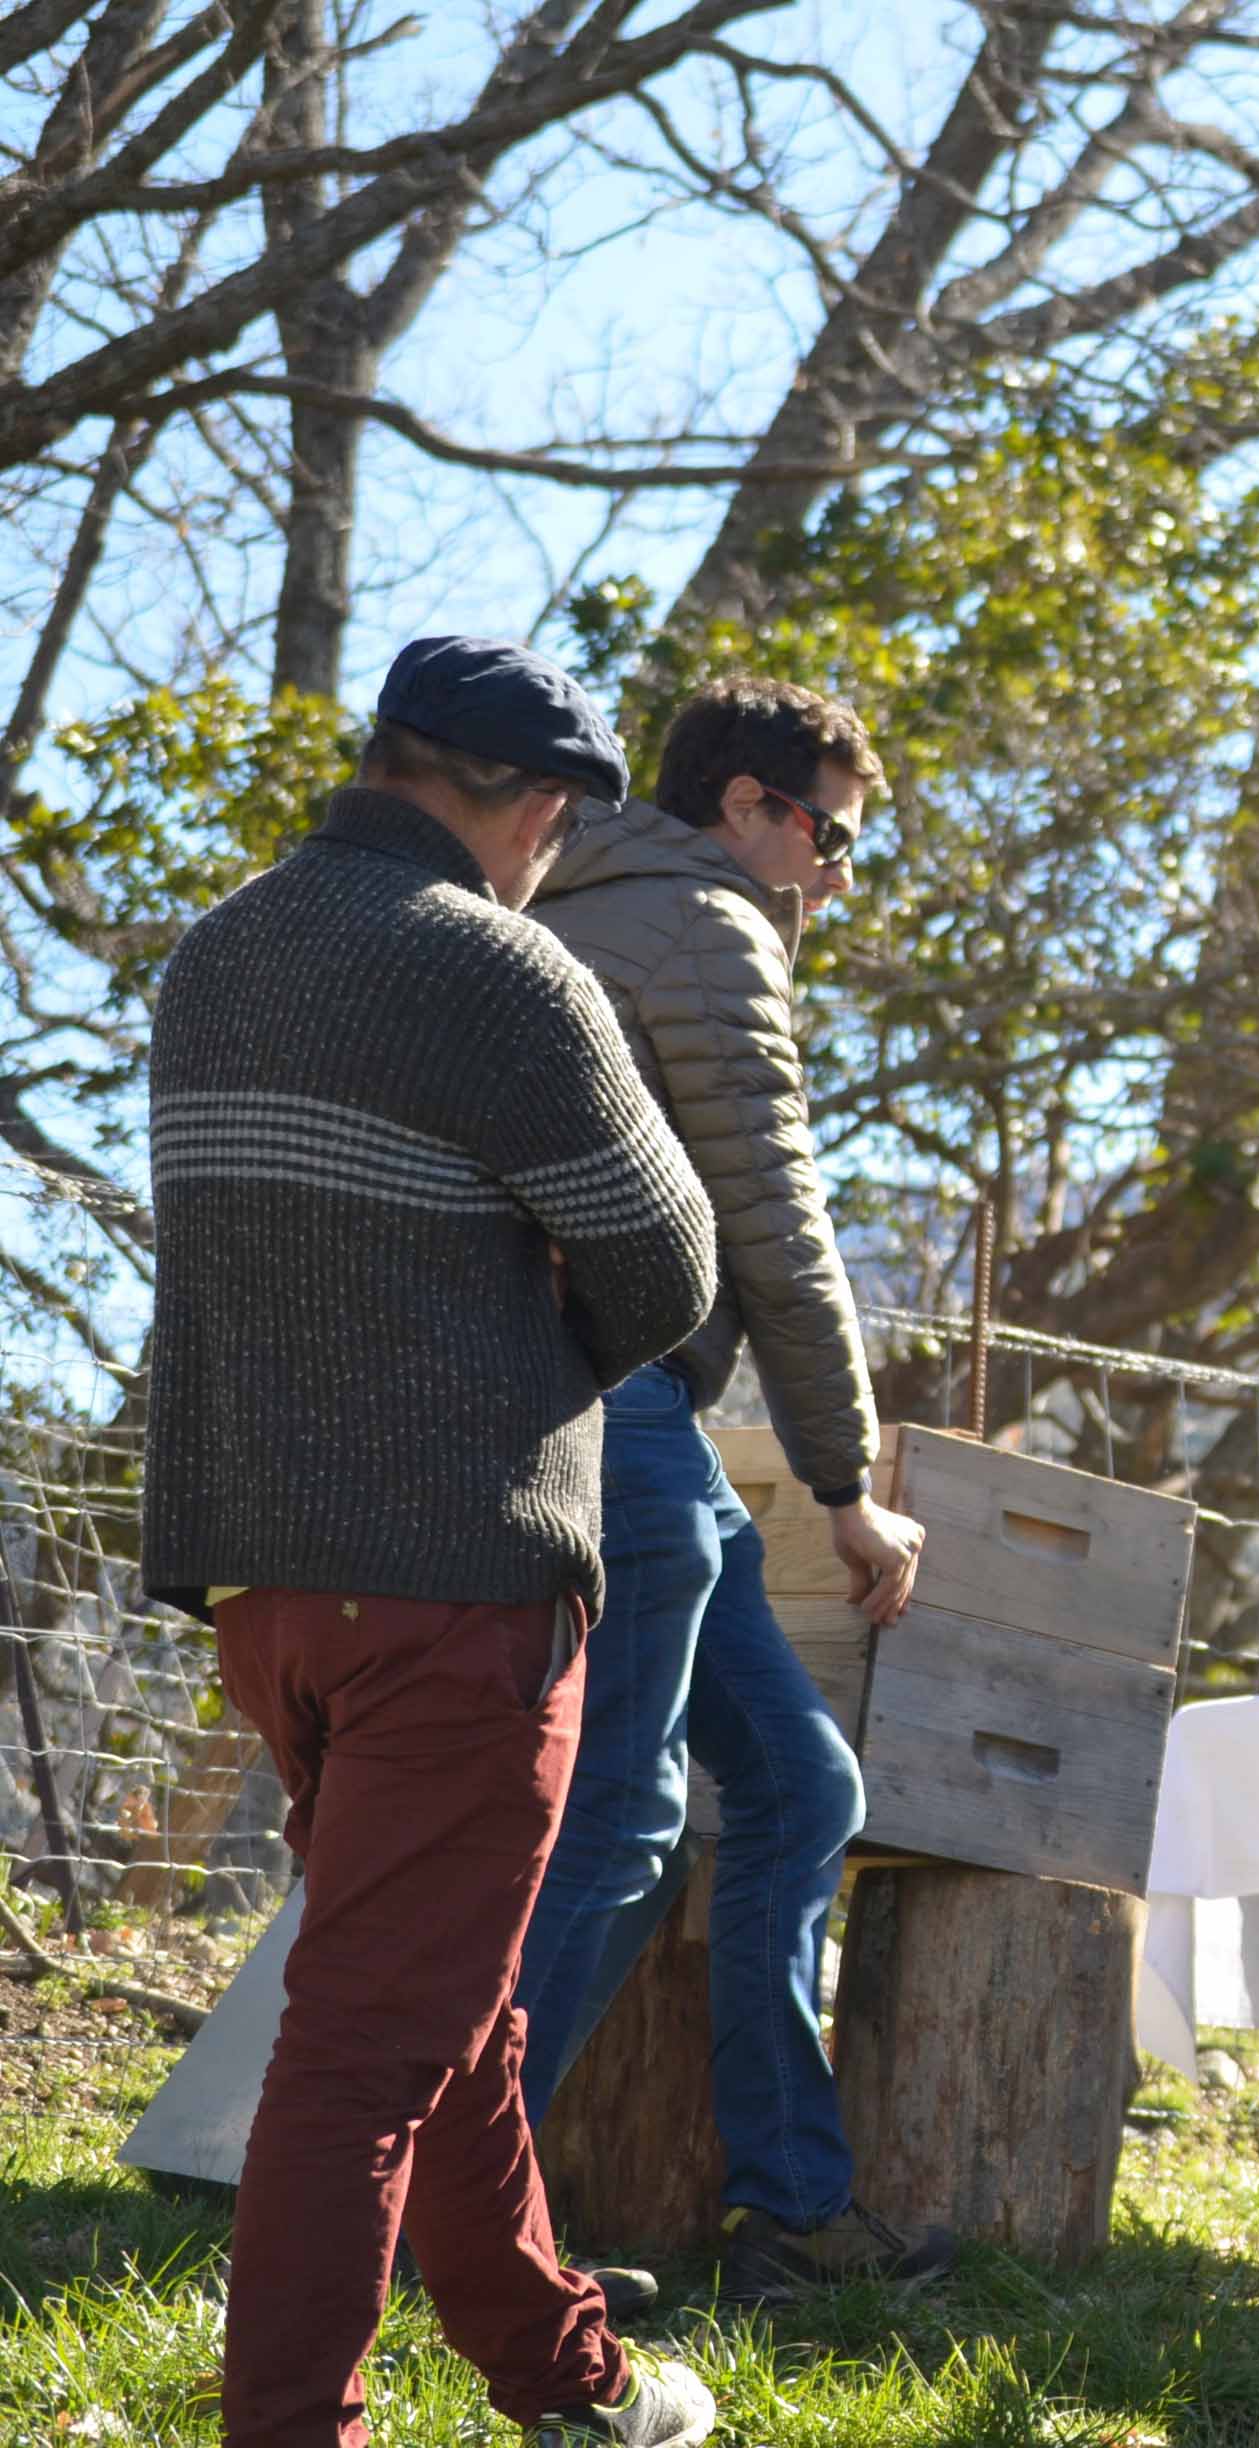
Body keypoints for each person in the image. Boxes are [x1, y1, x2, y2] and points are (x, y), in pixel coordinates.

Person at [143, 637, 722, 2447]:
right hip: (454, 1583)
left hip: (263, 1582)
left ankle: (572, 2382)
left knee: (439, 1994)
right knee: (369, 2048)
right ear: (535, 802)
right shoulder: (499, 968)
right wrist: (520, 1344)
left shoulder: (215, 950)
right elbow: (674, 1266)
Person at [507, 675, 955, 2309]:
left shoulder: (574, 899)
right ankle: (438, 2211)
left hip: (645, 1420)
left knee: (797, 1782)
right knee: (619, 1815)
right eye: (828, 835)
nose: (834, 875)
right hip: (609, 1405)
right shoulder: (704, 926)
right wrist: (846, 1481)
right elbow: (776, 1221)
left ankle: (788, 2212)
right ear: (750, 807)